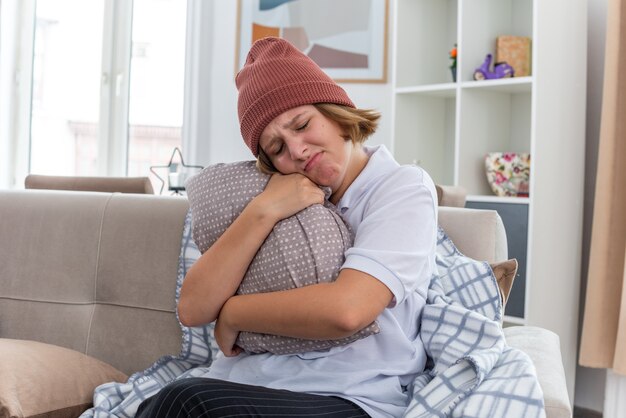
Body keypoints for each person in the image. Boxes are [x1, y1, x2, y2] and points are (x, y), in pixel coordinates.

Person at [136, 37, 438, 418]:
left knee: (185, 402)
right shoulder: (276, 193)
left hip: (349, 394)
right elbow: (193, 309)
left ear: (336, 110)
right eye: (277, 148)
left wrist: (234, 314)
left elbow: (348, 310)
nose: (296, 150)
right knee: (159, 404)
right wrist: (263, 210)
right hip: (248, 382)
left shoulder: (402, 187)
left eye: (302, 124)